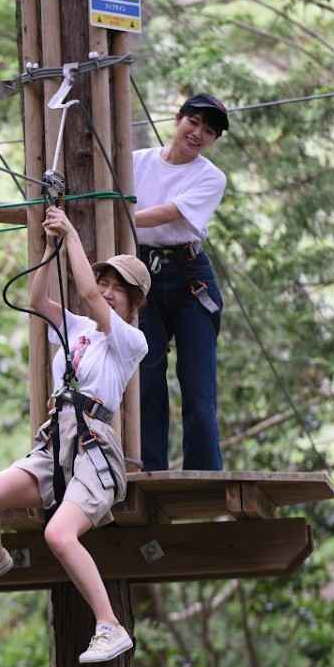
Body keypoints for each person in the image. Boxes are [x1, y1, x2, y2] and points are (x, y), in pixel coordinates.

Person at [0, 206, 149, 664]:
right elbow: (37, 300)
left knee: (60, 536)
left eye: (119, 290)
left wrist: (74, 238)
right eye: (106, 284)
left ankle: (110, 626)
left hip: (93, 448)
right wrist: (49, 249)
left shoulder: (127, 341)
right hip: (55, 442)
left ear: (134, 303)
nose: (106, 293)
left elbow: (83, 290)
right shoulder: (76, 329)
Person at [133, 93, 230, 471]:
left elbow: (168, 213)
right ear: (178, 119)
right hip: (141, 277)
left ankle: (204, 475)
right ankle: (149, 470)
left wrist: (119, 212)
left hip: (190, 280)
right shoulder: (136, 162)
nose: (198, 133)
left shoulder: (210, 177)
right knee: (146, 378)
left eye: (209, 131)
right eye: (194, 122)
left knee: (198, 388)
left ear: (213, 140)